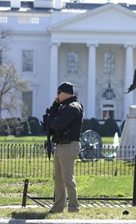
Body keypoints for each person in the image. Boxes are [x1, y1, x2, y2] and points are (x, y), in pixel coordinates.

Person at [46, 82, 84, 213]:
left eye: (59, 93)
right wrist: (55, 104)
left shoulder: (73, 107)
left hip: (69, 145)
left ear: (66, 93)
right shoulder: (64, 106)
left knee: (67, 178)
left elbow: (57, 124)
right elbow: (51, 118)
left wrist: (51, 122)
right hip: (61, 145)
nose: (57, 95)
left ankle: (73, 207)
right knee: (57, 178)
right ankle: (58, 206)